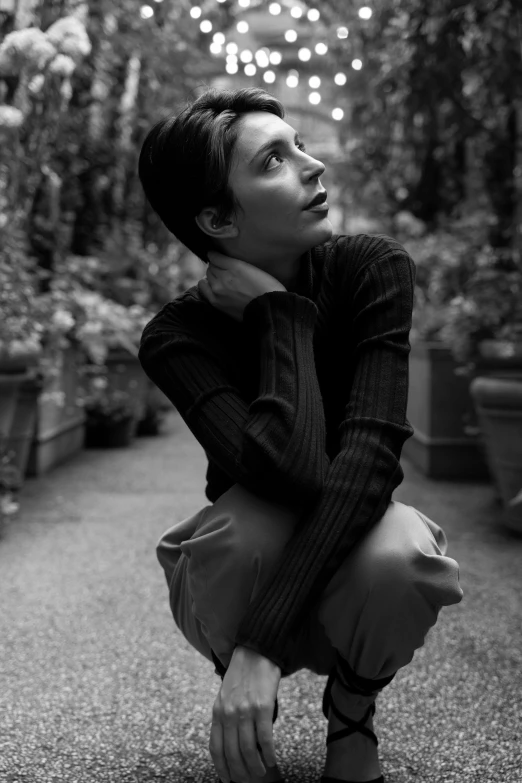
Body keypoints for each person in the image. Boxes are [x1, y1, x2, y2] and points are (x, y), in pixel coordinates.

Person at [137, 87, 464, 783]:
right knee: (234, 535)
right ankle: (254, 714)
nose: (312, 166)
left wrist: (262, 641)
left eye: (301, 146)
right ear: (217, 218)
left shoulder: (371, 268)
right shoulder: (177, 336)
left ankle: (350, 710)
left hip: (344, 546)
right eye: (274, 161)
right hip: (253, 554)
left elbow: (369, 463)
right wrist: (281, 316)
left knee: (401, 554)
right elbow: (287, 472)